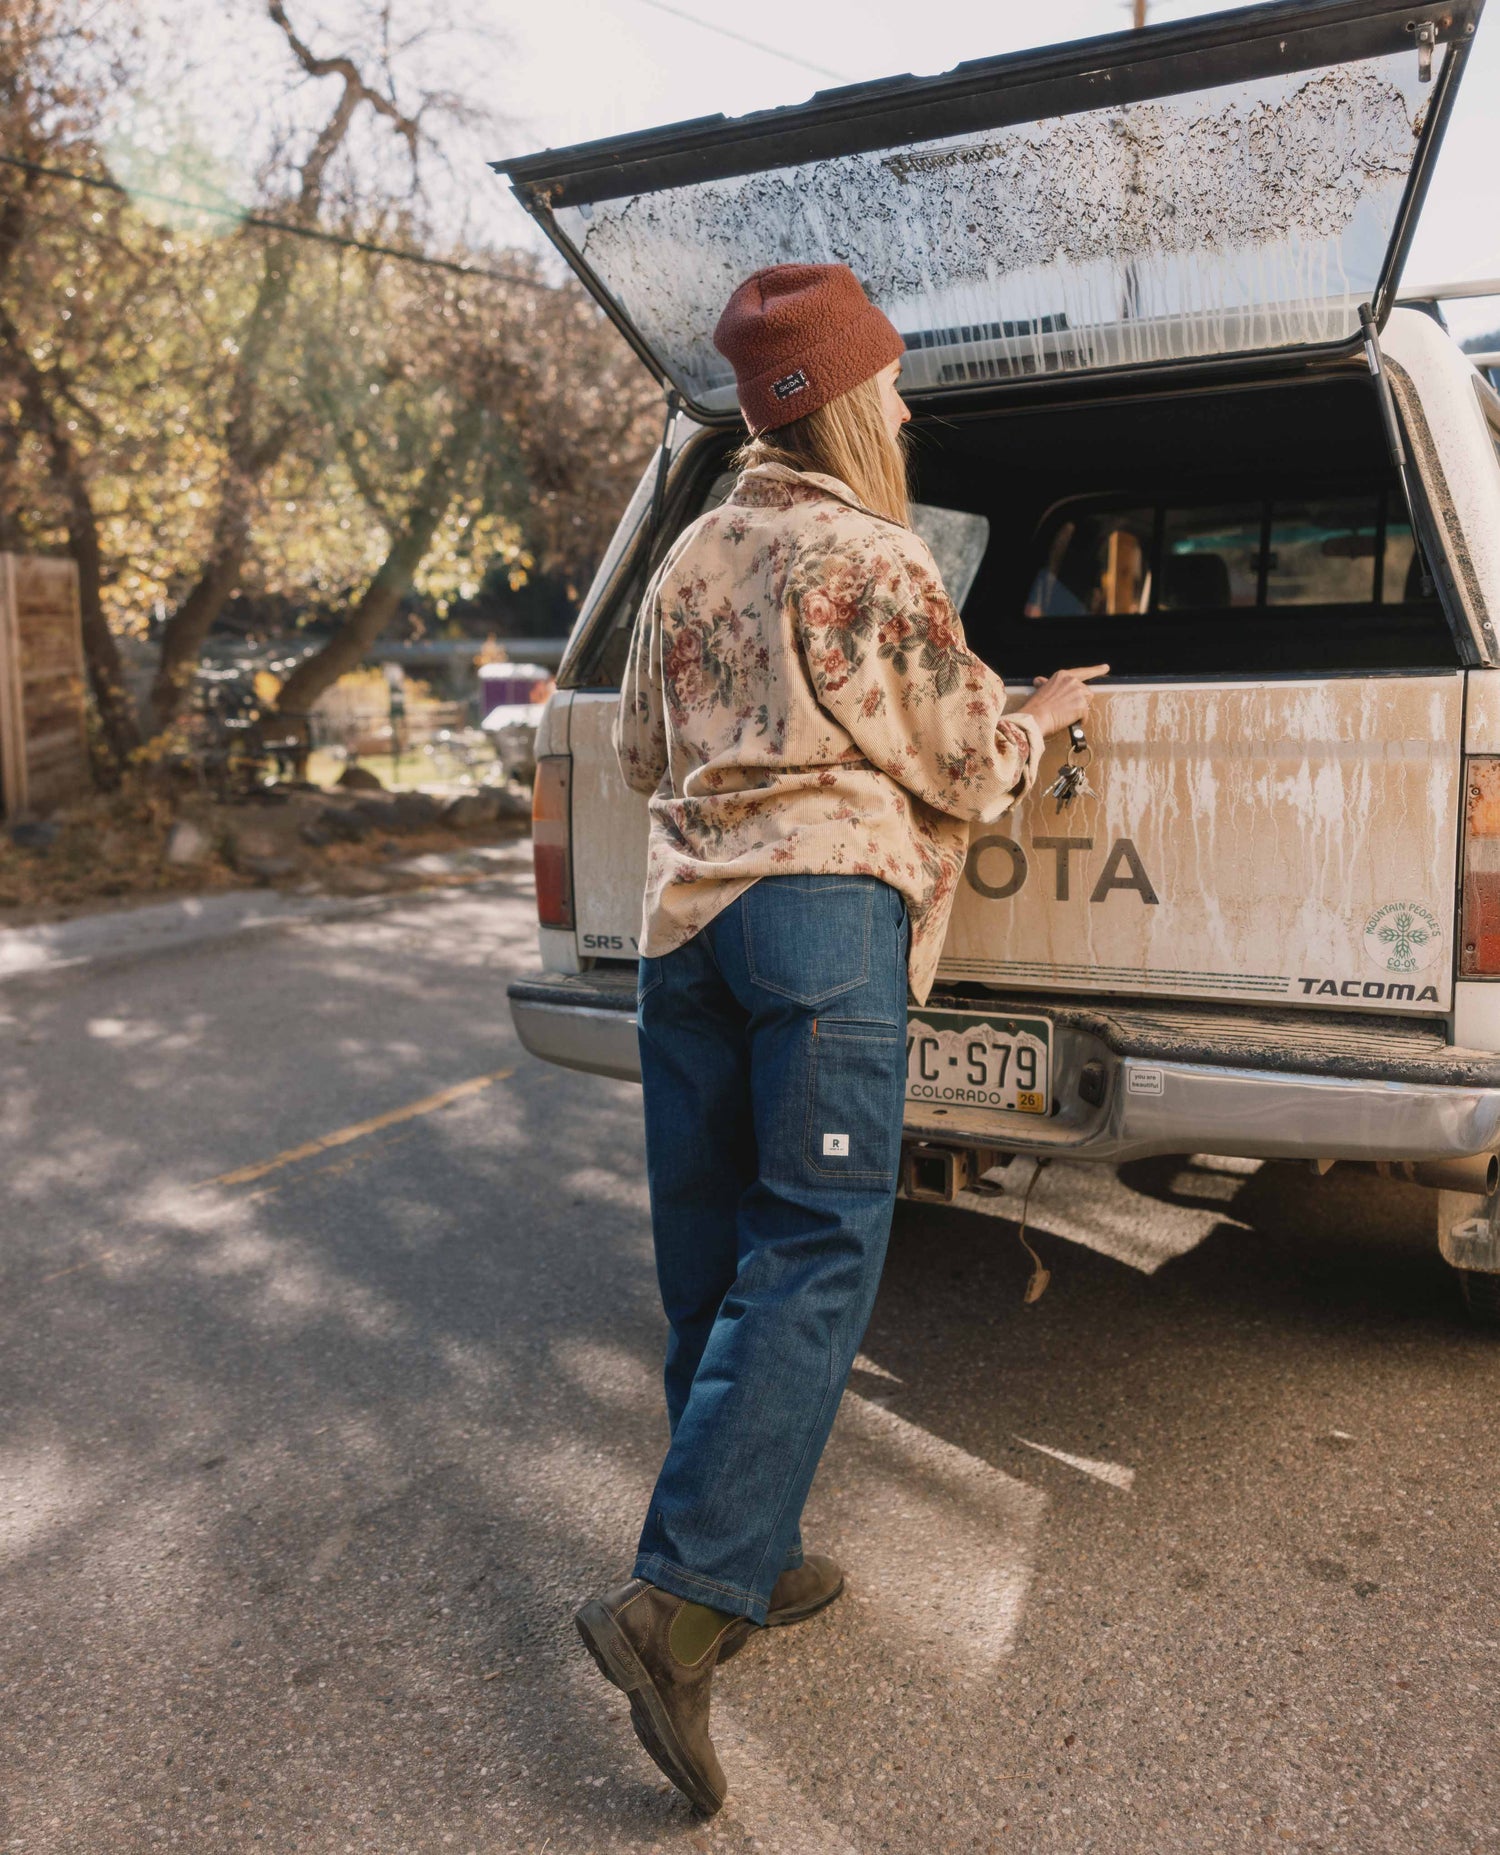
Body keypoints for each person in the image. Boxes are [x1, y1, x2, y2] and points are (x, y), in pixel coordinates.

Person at [575, 262, 1105, 1816]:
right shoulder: (868, 556)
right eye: (892, 379)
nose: (911, 402)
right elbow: (957, 756)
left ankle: (745, 1550)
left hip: (689, 934)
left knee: (718, 1251)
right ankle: (675, 1608)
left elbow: (631, 748)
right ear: (850, 399)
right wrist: (1047, 715)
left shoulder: (690, 555)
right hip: (820, 921)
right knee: (816, 1245)